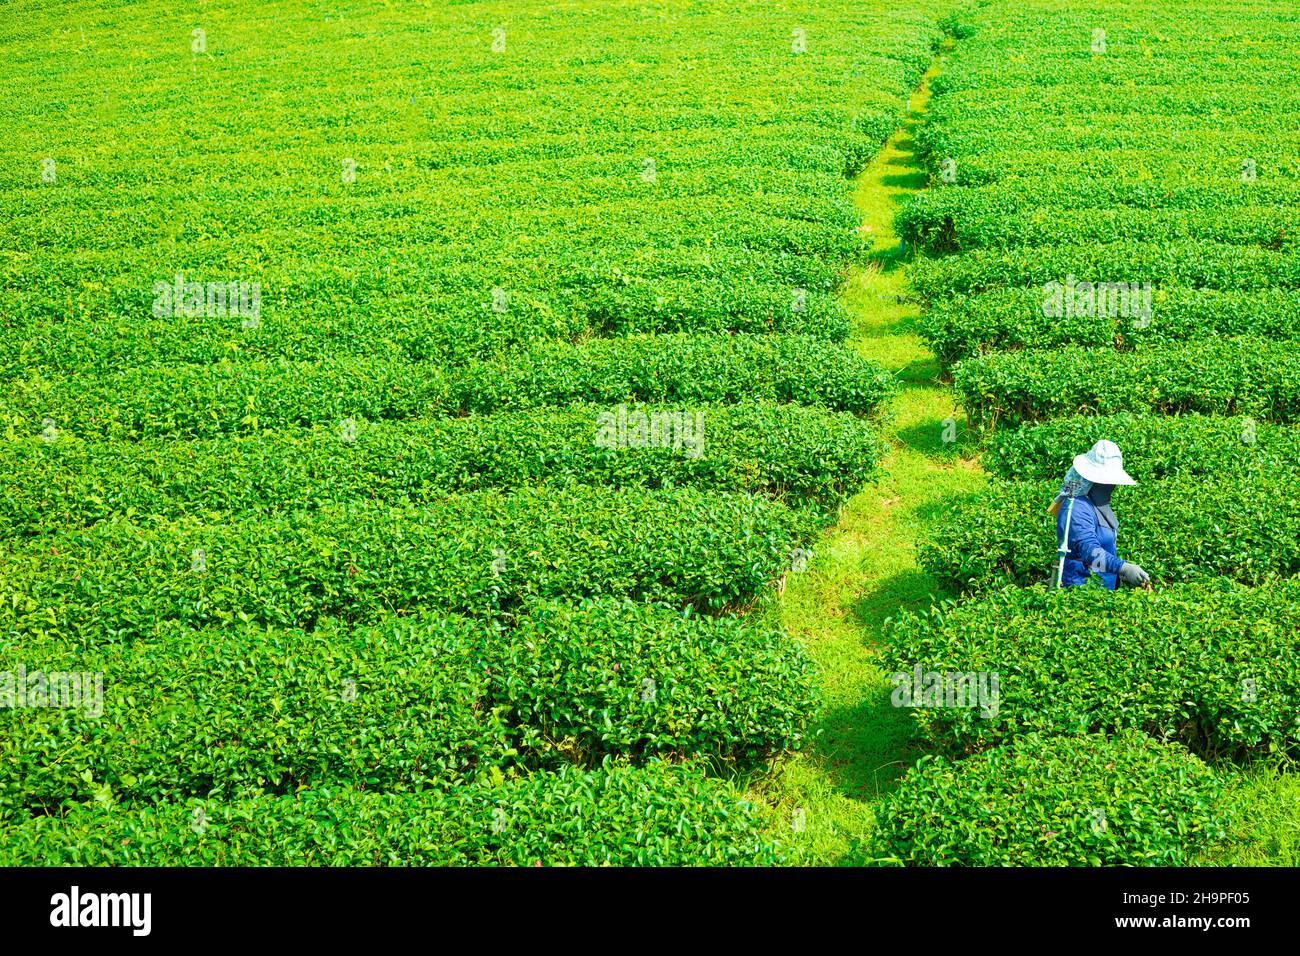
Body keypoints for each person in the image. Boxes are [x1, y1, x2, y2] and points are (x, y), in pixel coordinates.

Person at [1048, 439, 1150, 589]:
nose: (1112, 486)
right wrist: (1124, 568)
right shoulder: (1078, 507)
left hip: (1102, 589)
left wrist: (1120, 572)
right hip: (1082, 592)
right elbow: (1089, 551)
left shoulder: (1095, 504)